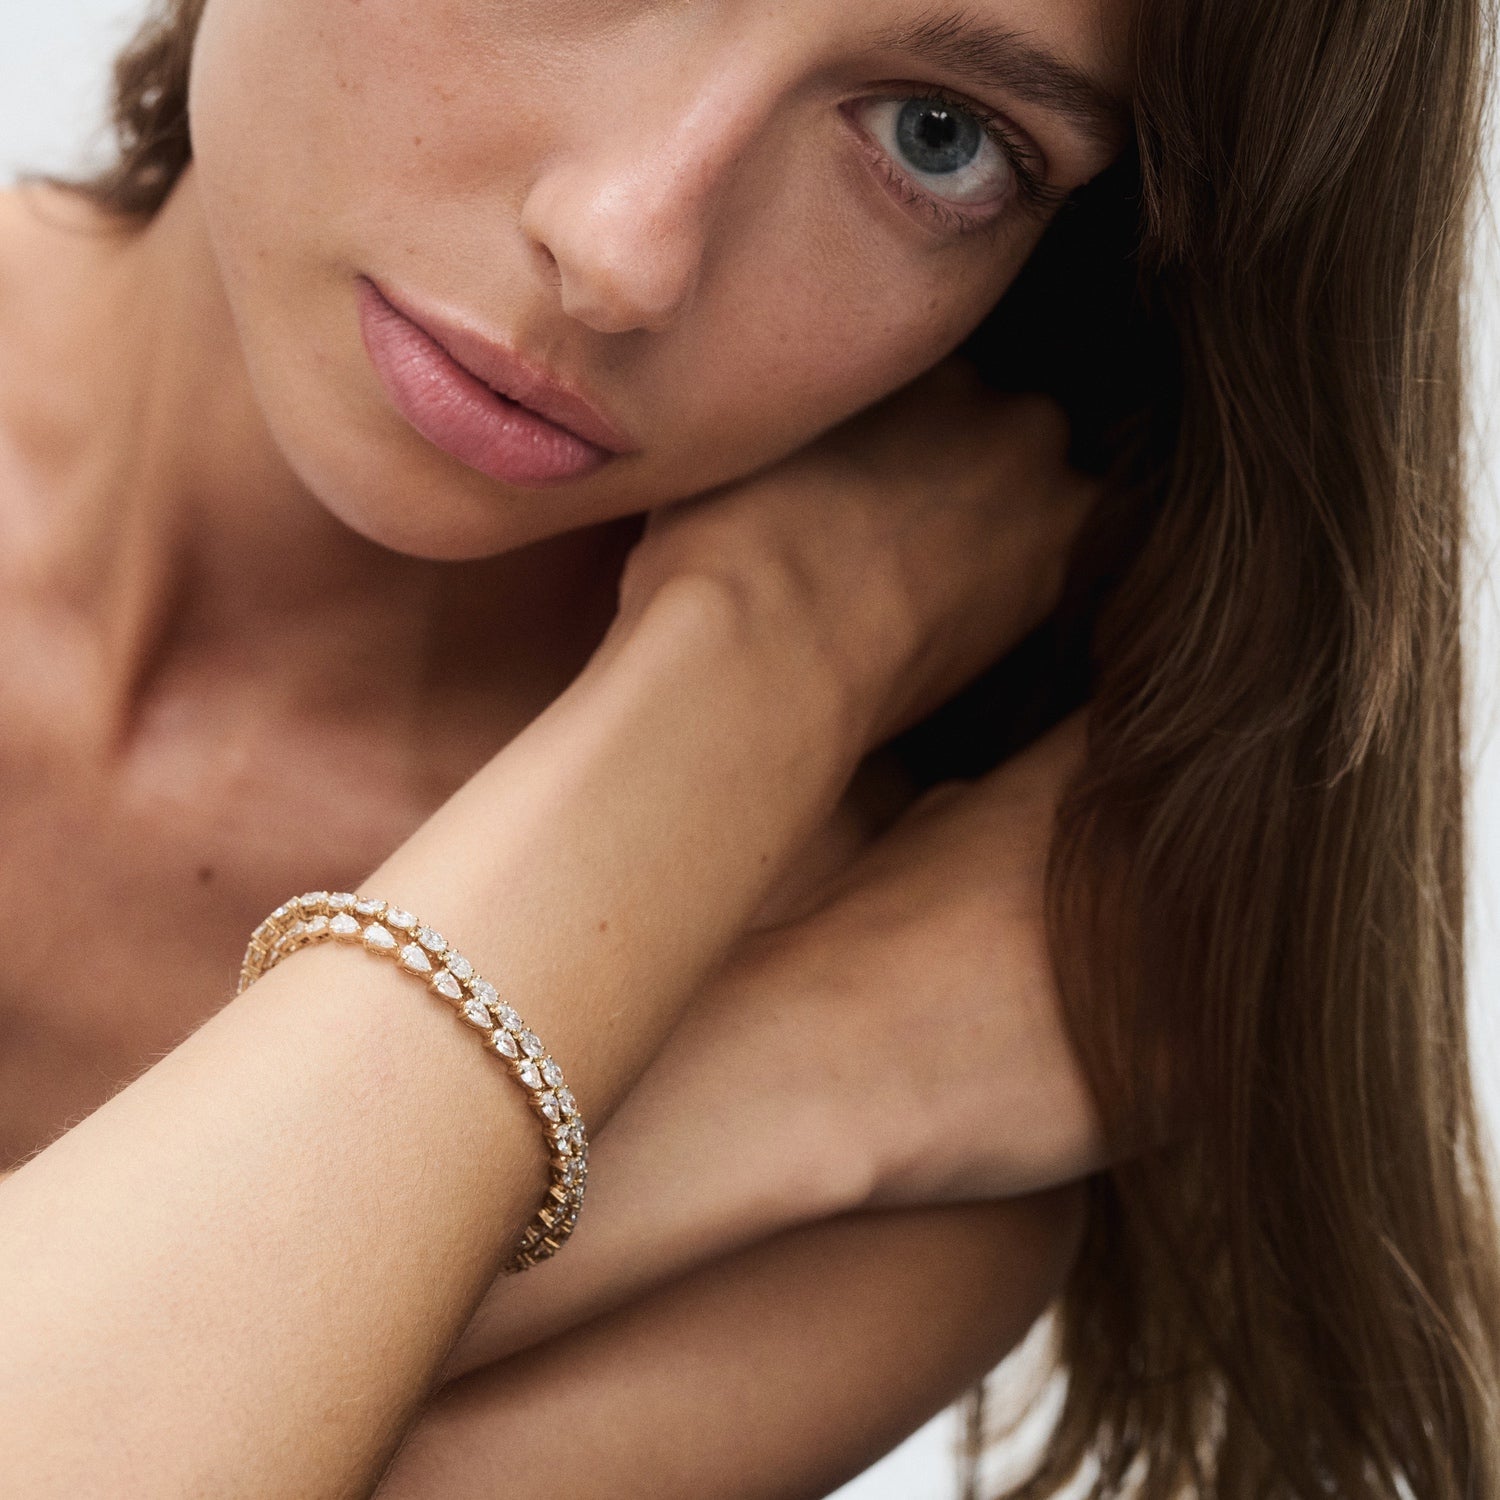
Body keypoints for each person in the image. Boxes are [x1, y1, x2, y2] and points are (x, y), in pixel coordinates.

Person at [0, 1, 1494, 1497]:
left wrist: (734, 712)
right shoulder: (883, 1068)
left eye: (940, 136)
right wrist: (783, 718)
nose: (622, 247)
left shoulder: (907, 1160)